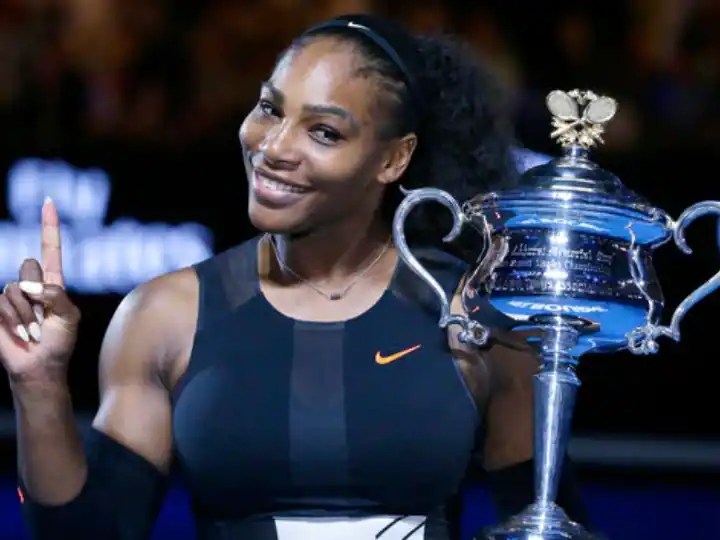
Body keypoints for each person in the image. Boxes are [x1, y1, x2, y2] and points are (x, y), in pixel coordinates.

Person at [2, 13, 593, 540]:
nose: (274, 148)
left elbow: (551, 522)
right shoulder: (164, 317)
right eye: (270, 108)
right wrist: (40, 387)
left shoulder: (475, 317)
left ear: (394, 158)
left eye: (324, 132)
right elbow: (89, 532)